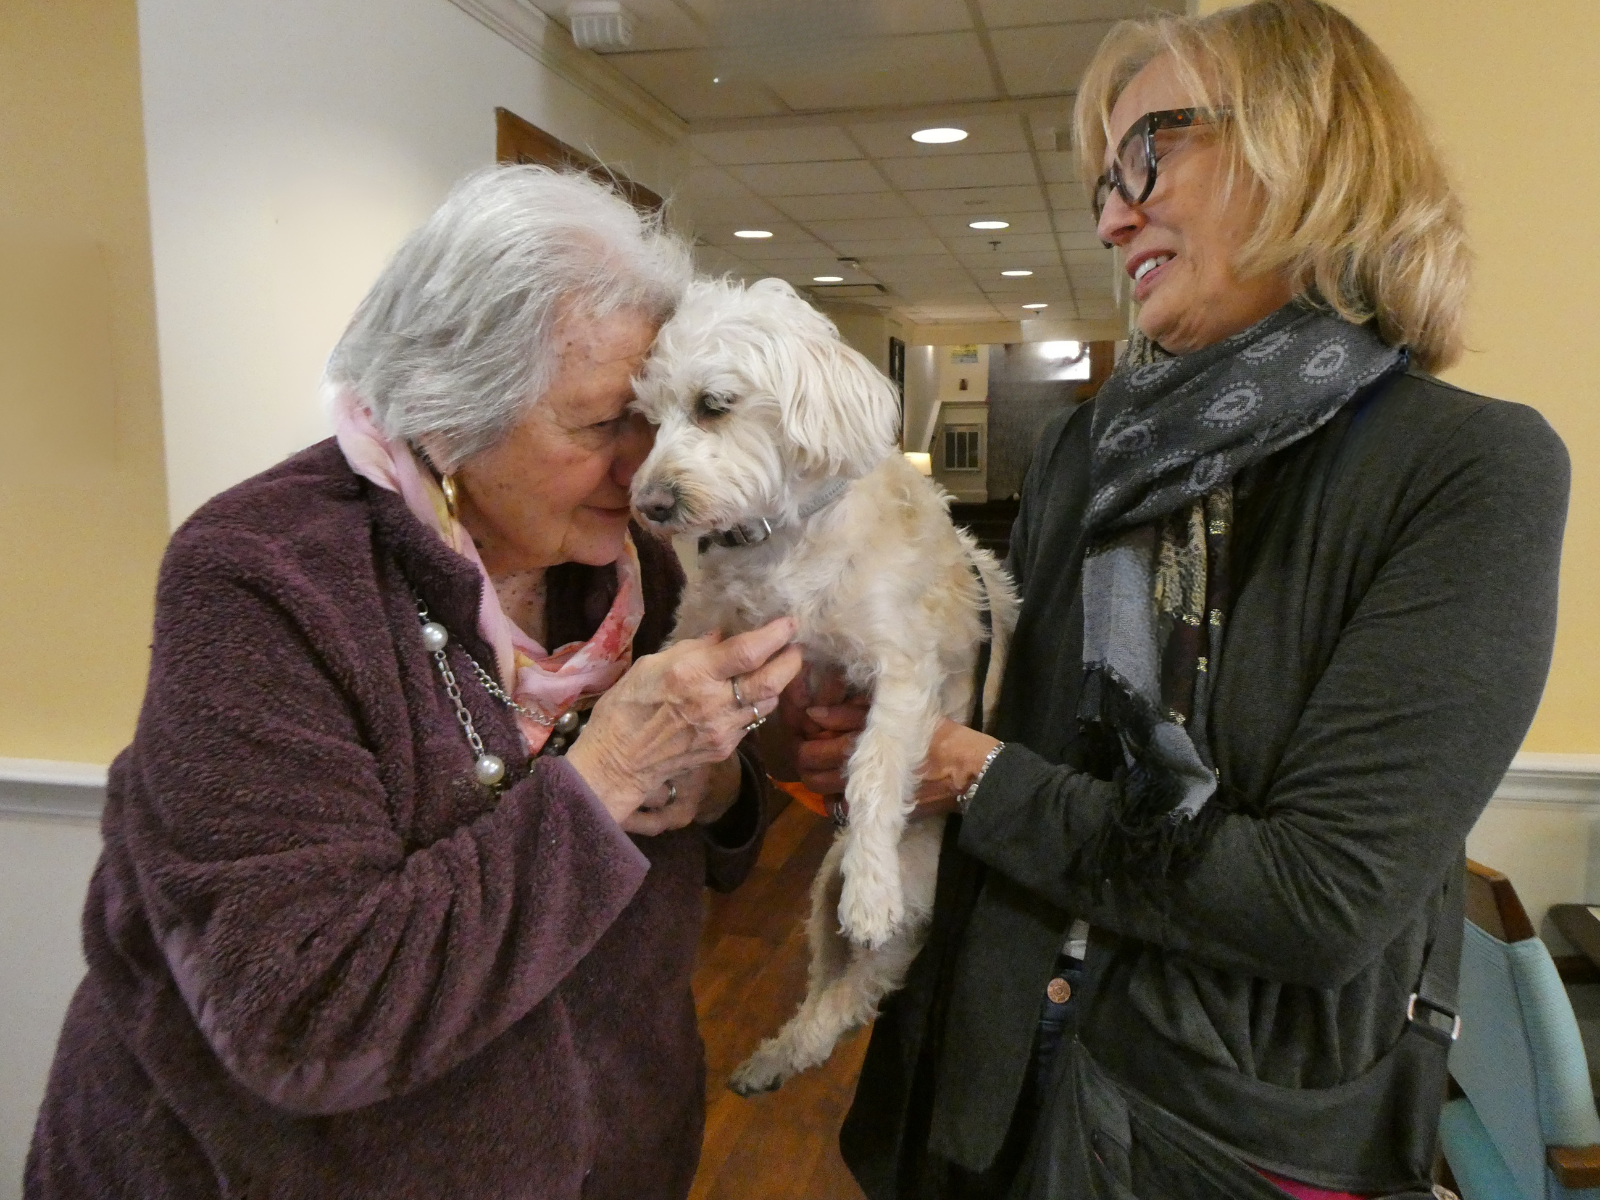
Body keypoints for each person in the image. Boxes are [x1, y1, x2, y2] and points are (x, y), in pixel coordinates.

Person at [781, 3, 1571, 1197]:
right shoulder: (1085, 448)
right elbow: (1013, 727)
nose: (1111, 212)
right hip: (979, 1078)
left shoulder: (1468, 471)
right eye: (1104, 176)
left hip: (1220, 1129)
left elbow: (1317, 900)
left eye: (1150, 151)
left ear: (1310, 147)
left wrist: (974, 774)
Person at [25, 166, 803, 1200]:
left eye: (655, 417)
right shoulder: (263, 573)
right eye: (599, 424)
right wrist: (607, 771)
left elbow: (674, 819)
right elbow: (297, 1013)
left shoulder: (632, 567)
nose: (646, 467)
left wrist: (719, 789)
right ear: (448, 411)